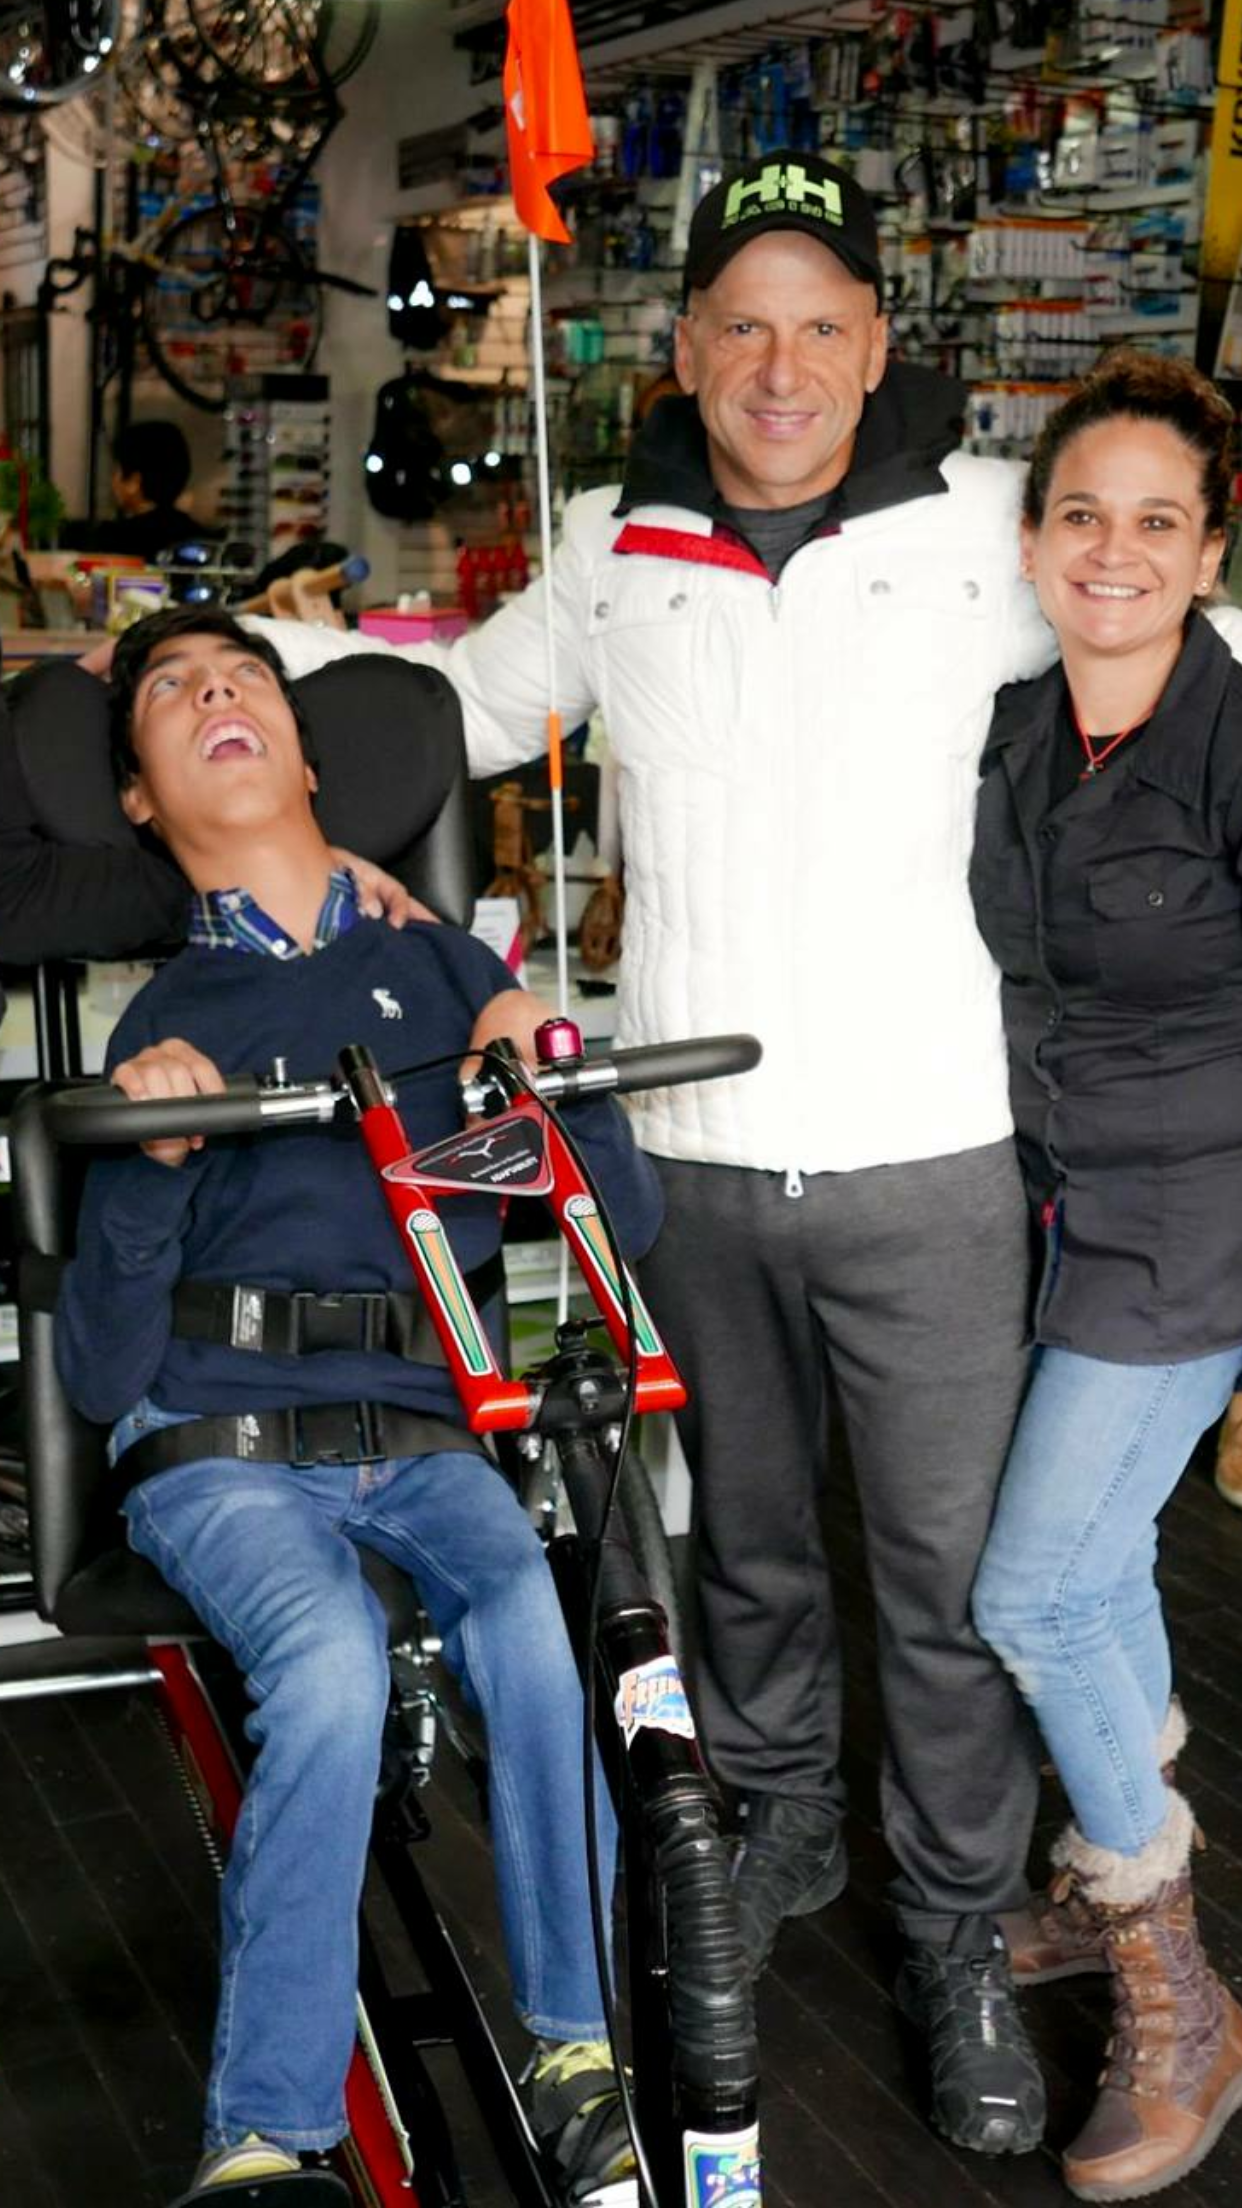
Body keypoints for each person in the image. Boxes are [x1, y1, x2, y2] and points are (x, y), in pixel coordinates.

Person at [53, 604, 663, 2205]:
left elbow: (623, 1223)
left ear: (308, 757)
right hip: (221, 1444)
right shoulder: (161, 1024)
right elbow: (103, 1372)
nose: (215, 691)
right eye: (173, 691)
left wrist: (535, 1075)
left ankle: (577, 2054)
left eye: (243, 675)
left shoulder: (444, 964)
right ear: (140, 798)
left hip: (422, 1433)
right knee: (325, 1666)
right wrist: (150, 1158)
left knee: (533, 1635)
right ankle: (264, 2136)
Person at [968, 351, 1242, 2200]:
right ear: (1030, 538)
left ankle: (1174, 1985)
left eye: (1157, 521)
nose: (1113, 550)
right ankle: (1112, 1854)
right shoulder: (1012, 728)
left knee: (1037, 1592)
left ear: (1209, 552)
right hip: (1056, 1209)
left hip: (1199, 1222)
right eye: (1081, 514)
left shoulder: (1230, 737)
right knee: (1102, 1558)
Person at [86, 419, 212, 562]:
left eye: (115, 471)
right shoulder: (199, 538)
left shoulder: (115, 539)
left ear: (134, 482)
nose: (113, 481)